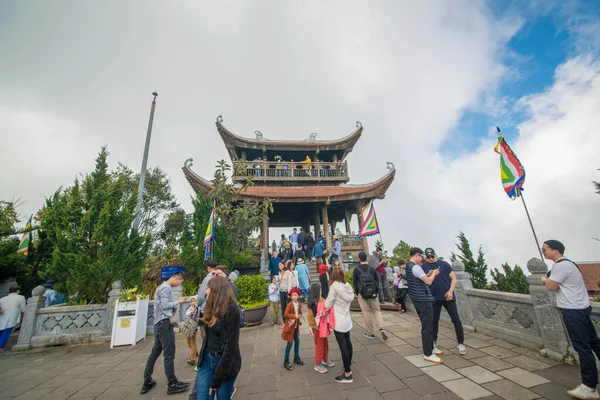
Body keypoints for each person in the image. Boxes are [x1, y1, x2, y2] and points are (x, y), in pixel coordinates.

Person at [541, 239, 600, 399]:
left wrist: (545, 280)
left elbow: (551, 287)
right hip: (581, 309)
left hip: (573, 311)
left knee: (583, 348)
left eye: (545, 249)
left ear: (556, 251)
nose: (543, 251)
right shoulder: (569, 264)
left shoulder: (561, 266)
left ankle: (589, 387)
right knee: (594, 343)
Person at [141, 271, 189, 395]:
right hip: (164, 324)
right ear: (176, 278)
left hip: (159, 324)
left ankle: (147, 381)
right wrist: (178, 302)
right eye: (180, 282)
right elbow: (165, 305)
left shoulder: (161, 287)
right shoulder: (165, 288)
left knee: (155, 352)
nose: (178, 285)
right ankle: (172, 383)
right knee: (169, 353)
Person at [194, 276, 242, 400]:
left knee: (223, 397)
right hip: (207, 360)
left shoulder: (232, 310)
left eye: (208, 288)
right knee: (203, 397)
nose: (206, 291)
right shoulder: (211, 305)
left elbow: (230, 346)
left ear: (216, 290)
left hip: (224, 362)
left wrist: (218, 377)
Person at [421, 248, 467, 356]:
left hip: (448, 297)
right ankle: (434, 342)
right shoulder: (424, 267)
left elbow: (454, 278)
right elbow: (423, 280)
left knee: (455, 319)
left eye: (432, 256)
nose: (431, 259)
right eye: (428, 257)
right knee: (434, 321)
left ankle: (461, 343)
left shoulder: (444, 264)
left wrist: (451, 291)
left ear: (435, 255)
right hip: (433, 298)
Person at [405, 247, 442, 364]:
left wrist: (428, 274)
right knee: (428, 326)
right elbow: (429, 281)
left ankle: (431, 347)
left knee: (427, 324)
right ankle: (428, 353)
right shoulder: (415, 267)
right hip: (423, 299)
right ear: (416, 255)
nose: (422, 258)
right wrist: (434, 274)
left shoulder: (408, 266)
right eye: (421, 256)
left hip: (417, 298)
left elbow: (420, 279)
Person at [325, 266, 355, 383]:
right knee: (348, 343)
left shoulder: (334, 287)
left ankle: (347, 374)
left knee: (343, 347)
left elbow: (328, 303)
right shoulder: (347, 286)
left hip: (338, 319)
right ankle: (349, 365)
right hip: (347, 318)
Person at [353, 251, 388, 341]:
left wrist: (357, 293)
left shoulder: (356, 269)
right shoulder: (372, 268)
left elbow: (355, 283)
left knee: (366, 312)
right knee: (377, 310)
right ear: (367, 258)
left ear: (359, 259)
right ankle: (381, 328)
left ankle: (370, 332)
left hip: (362, 293)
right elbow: (377, 280)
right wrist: (376, 292)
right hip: (373, 293)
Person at [306, 283, 335, 373]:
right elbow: (311, 318)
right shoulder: (312, 303)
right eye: (320, 289)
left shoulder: (321, 300)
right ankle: (318, 364)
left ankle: (325, 359)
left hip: (323, 327)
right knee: (320, 345)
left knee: (325, 343)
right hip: (317, 328)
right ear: (318, 291)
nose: (322, 291)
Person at [281, 288, 306, 371]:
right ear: (291, 297)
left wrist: (299, 315)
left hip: (295, 327)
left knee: (297, 342)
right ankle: (286, 360)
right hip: (290, 327)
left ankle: (296, 357)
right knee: (289, 344)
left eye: (296, 295)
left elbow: (299, 312)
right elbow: (286, 314)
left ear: (298, 296)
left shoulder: (299, 304)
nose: (294, 297)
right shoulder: (290, 305)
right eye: (293, 295)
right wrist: (294, 316)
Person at [0, 284, 26, 352]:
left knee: (2, 331)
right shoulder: (21, 297)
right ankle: (0, 346)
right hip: (12, 317)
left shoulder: (2, 299)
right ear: (18, 291)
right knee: (6, 332)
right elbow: (23, 309)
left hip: (2, 317)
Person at [279, 260, 298, 327]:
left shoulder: (288, 272)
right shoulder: (280, 272)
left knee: (289, 307)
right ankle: (285, 322)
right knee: (283, 307)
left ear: (284, 265)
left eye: (281, 265)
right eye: (279, 265)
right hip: (281, 290)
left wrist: (289, 293)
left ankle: (290, 321)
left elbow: (290, 283)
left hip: (287, 291)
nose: (280, 266)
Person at [184, 297, 201, 365]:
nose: (193, 303)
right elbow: (186, 313)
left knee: (192, 342)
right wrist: (191, 312)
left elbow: (199, 315)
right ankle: (195, 352)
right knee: (188, 341)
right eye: (192, 301)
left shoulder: (198, 308)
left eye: (195, 301)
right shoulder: (190, 307)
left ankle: (192, 359)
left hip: (194, 328)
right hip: (188, 327)